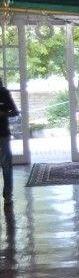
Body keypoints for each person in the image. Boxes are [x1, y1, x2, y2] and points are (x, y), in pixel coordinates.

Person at [0, 78, 18, 207]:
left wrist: (3, 113)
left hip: (3, 135)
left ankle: (7, 195)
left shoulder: (4, 93)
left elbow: (14, 112)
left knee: (6, 165)